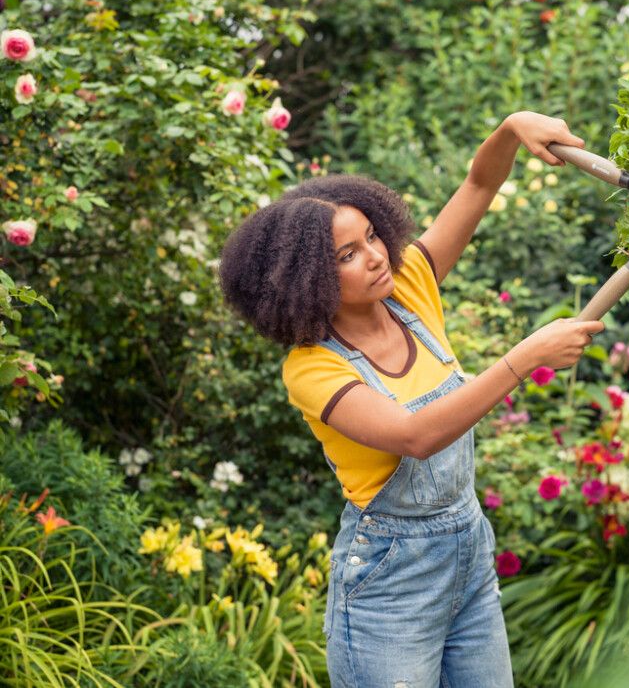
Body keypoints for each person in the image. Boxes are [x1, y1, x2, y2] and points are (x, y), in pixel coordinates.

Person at [218, 111, 605, 687]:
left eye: (371, 236)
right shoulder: (313, 368)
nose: (376, 256)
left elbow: (478, 185)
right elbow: (415, 436)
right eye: (347, 255)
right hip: (389, 581)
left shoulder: (412, 289)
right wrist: (525, 357)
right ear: (308, 280)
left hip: (469, 555)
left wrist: (509, 129)